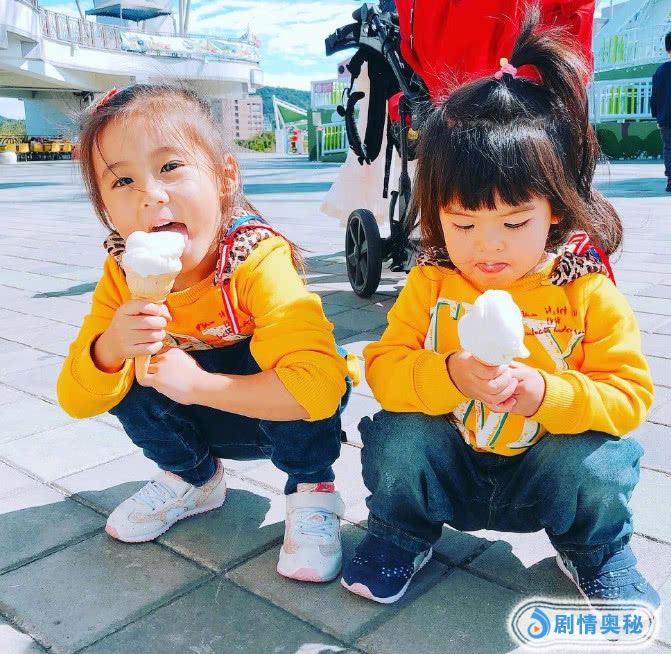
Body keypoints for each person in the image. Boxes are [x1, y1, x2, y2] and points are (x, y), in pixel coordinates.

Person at [341, 8, 659, 610]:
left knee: (602, 459)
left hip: (544, 473)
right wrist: (450, 374)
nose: (487, 247)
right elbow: (382, 368)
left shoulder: (584, 287)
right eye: (462, 224)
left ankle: (596, 549)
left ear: (555, 209)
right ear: (436, 213)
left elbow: (628, 397)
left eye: (514, 224)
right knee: (398, 435)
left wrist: (546, 393)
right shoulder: (433, 280)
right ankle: (400, 531)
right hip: (452, 464)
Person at [57, 84, 359, 583]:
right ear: (105, 208)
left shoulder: (256, 258)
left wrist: (199, 385)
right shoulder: (122, 273)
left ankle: (312, 490)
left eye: (170, 167)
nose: (151, 194)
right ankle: (194, 478)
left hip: (279, 414)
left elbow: (319, 390)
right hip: (196, 421)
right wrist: (109, 348)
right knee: (122, 369)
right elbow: (75, 399)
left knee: (306, 366)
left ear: (225, 177)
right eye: (123, 180)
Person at [651, 31, 671, 192]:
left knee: (669, 148)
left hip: (665, 117)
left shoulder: (660, 71)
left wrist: (657, 116)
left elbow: (655, 96)